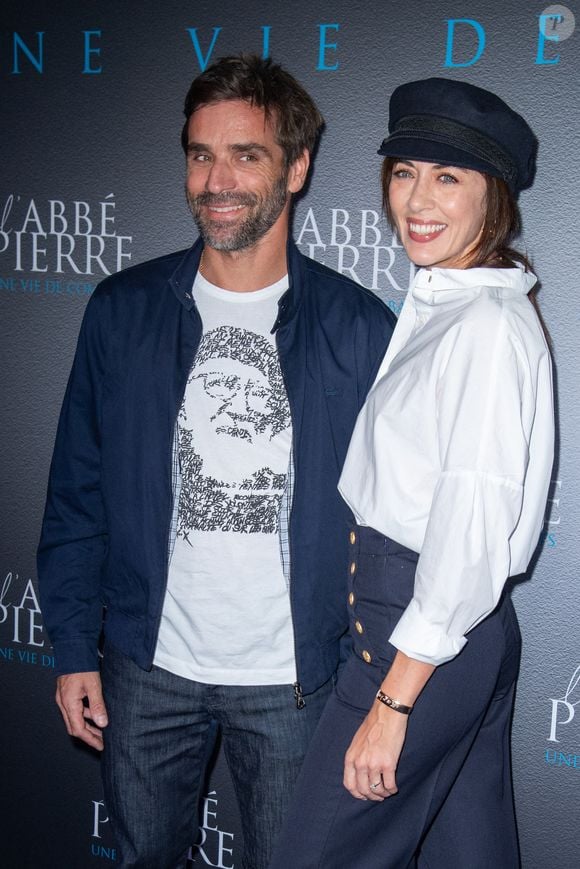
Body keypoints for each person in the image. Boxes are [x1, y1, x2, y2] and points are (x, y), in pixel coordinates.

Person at [37, 55, 395, 869]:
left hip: (296, 682)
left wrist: (370, 675)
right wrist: (69, 648)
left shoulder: (359, 327)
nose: (217, 179)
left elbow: (389, 528)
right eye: (201, 154)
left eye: (247, 154)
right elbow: (76, 493)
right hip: (146, 668)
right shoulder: (121, 313)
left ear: (297, 167)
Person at [269, 78, 554, 868]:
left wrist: (394, 699)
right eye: (404, 172)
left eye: (448, 177)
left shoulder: (487, 327)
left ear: (491, 195)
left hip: (419, 641)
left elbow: (469, 526)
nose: (416, 200)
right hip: (446, 636)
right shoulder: (450, 305)